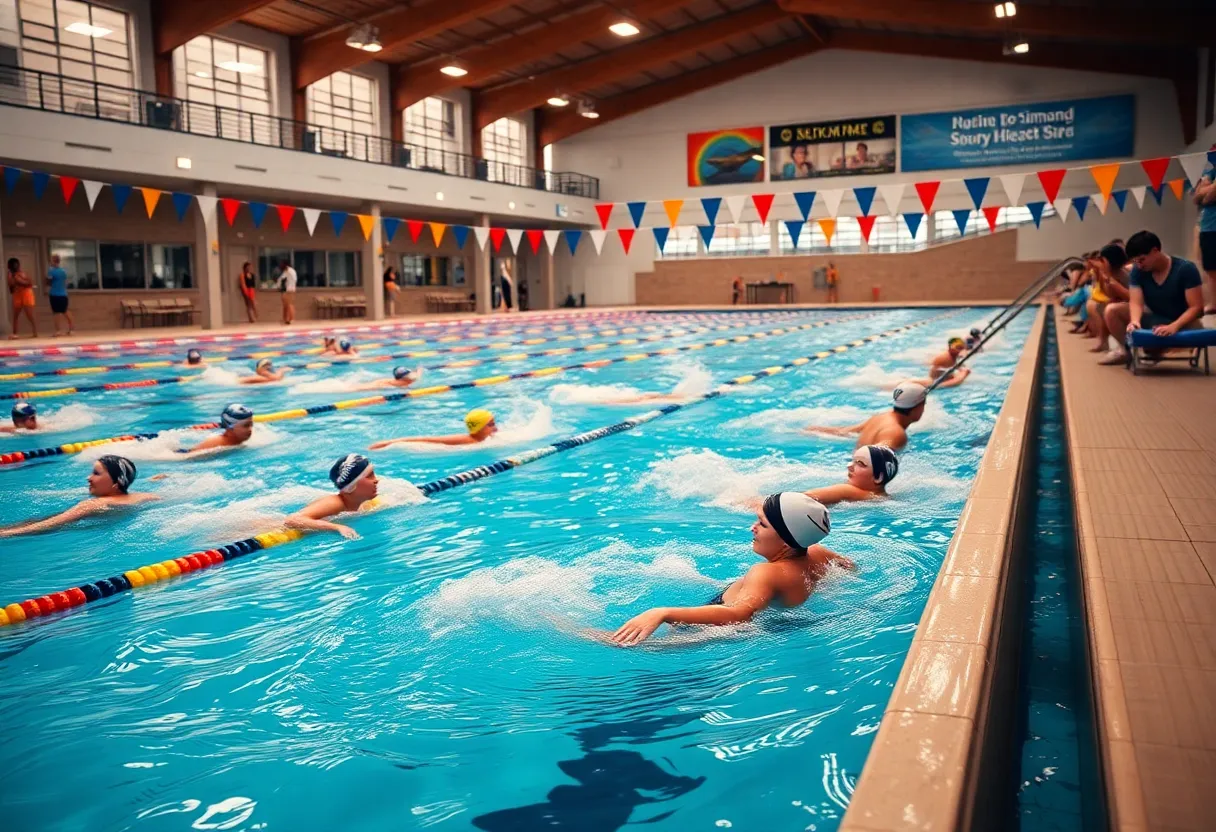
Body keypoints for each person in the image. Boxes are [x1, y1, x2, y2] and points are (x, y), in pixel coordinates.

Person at [607, 493, 854, 646]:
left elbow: (739, 615)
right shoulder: (818, 554)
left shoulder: (766, 573)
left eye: (762, 524)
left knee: (612, 641)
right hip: (766, 615)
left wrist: (663, 613)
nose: (752, 528)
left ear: (788, 540)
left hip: (713, 625)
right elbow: (849, 567)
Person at [1100, 230, 1205, 365]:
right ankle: (1126, 352)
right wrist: (1135, 322)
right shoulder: (1139, 271)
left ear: (1155, 251)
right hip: (1157, 319)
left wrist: (1174, 326)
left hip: (1184, 323)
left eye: (1142, 260)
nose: (1139, 265)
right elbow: (1136, 302)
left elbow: (1196, 307)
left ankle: (1167, 348)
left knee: (1154, 349)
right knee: (1112, 310)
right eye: (1135, 262)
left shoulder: (1185, 269)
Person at [0, 455, 158, 537]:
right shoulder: (145, 497)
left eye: (96, 473)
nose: (88, 478)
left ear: (116, 483)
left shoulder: (92, 505)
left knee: (37, 522)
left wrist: (7, 534)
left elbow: (52, 524)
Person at [805, 382, 926, 451]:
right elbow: (872, 457)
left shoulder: (880, 417)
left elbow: (842, 431)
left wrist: (811, 430)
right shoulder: (896, 434)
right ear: (918, 407)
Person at [284, 454, 380, 540]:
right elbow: (292, 520)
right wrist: (338, 527)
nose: (376, 480)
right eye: (369, 476)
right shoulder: (335, 503)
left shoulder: (360, 504)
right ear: (352, 486)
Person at [368, 408, 497, 449]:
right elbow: (426, 439)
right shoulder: (465, 440)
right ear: (479, 428)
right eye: (490, 424)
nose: (495, 427)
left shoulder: (483, 438)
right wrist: (387, 444)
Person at [1086, 244, 1130, 355]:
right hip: (1125, 305)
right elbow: (1109, 294)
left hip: (1134, 308)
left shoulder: (1122, 275)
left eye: (1101, 260)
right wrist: (1102, 273)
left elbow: (1129, 297)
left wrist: (1107, 277)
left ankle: (1124, 349)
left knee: (1107, 308)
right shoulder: (1112, 274)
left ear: (1107, 261)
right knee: (1101, 306)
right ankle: (1105, 342)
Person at [1194, 145, 1216, 315]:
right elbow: (1197, 198)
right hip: (1208, 227)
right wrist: (1207, 191)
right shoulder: (1210, 173)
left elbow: (1207, 197)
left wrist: (1206, 192)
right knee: (1210, 267)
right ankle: (1214, 302)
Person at [183, 403, 254, 454]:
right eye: (246, 425)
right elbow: (185, 458)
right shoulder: (217, 443)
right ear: (230, 427)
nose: (250, 429)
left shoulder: (239, 438)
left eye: (251, 424)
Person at [7, 257, 38, 339]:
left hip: (26, 293)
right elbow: (11, 287)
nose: (16, 267)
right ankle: (15, 333)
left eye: (17, 265)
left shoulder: (22, 273)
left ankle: (35, 331)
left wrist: (18, 280)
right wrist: (12, 278)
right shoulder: (10, 274)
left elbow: (29, 283)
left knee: (29, 314)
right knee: (15, 315)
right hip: (17, 295)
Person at [45, 254, 74, 336]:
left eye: (51, 260)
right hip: (63, 294)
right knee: (65, 311)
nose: (50, 262)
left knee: (56, 312)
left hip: (55, 294)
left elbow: (48, 282)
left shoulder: (51, 271)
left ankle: (58, 331)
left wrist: (47, 279)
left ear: (54, 261)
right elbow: (64, 282)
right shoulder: (63, 271)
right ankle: (71, 329)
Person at [353, 366, 422, 391]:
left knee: (360, 386)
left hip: (381, 382)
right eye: (408, 374)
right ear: (402, 378)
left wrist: (418, 370)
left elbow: (415, 376)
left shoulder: (406, 379)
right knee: (357, 388)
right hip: (379, 384)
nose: (410, 375)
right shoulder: (402, 383)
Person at [277, 258, 297, 325]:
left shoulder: (287, 270)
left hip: (289, 290)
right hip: (292, 289)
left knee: (289, 304)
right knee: (287, 304)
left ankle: (291, 319)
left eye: (281, 265)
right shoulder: (292, 270)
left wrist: (278, 287)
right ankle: (286, 319)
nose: (280, 266)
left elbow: (280, 279)